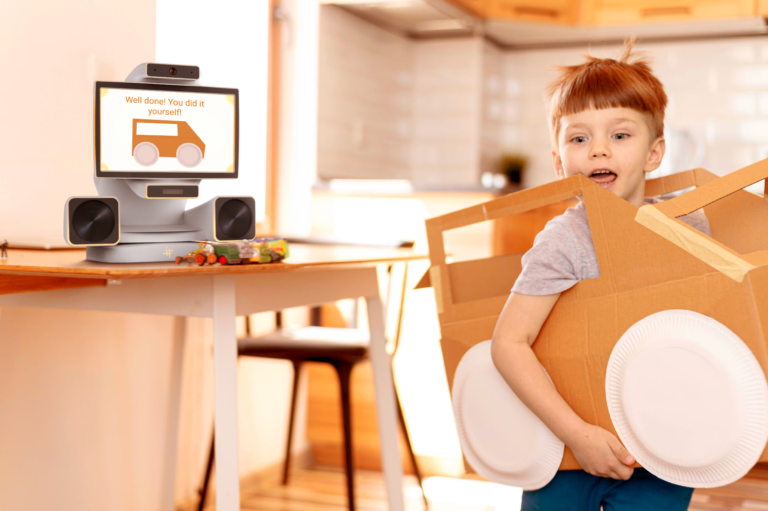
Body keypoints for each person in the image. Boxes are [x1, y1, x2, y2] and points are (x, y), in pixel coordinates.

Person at [490, 37, 710, 511]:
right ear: (558, 162)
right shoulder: (563, 241)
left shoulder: (687, 226)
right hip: (567, 455)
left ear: (654, 154)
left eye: (620, 135)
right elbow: (508, 343)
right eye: (579, 138)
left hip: (663, 453)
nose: (598, 151)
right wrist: (578, 434)